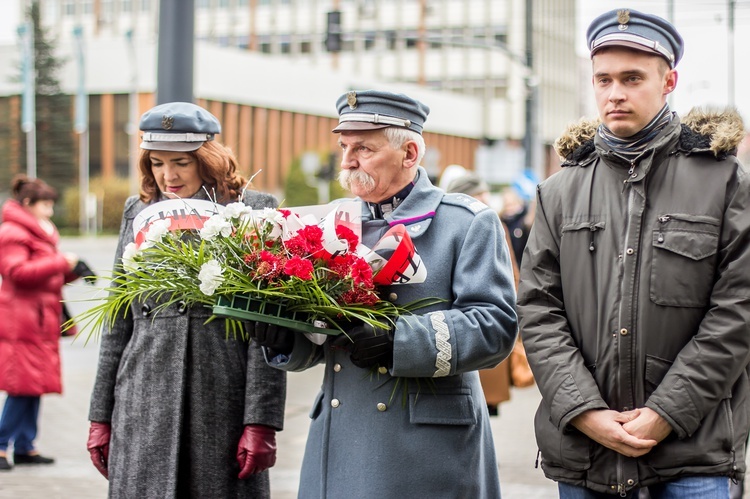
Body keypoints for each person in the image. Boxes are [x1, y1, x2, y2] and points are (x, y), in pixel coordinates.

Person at [518, 8, 750, 498]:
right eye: (603, 79)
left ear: (670, 81)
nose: (615, 93)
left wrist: (666, 413)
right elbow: (539, 310)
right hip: (585, 453)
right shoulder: (558, 192)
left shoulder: (724, 181)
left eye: (632, 78)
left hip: (693, 453)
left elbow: (738, 312)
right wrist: (584, 411)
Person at [248, 90, 518, 498]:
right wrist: (288, 339)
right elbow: (324, 341)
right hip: (341, 436)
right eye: (344, 147)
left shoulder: (466, 222)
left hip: (428, 448)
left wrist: (399, 341)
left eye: (363, 149)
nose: (347, 161)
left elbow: (495, 328)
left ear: (409, 154)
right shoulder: (326, 223)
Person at [86, 102, 286, 498]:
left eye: (180, 162)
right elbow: (117, 320)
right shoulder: (138, 210)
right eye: (156, 163)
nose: (167, 176)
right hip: (141, 398)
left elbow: (269, 325)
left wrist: (262, 419)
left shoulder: (255, 211)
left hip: (222, 398)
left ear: (207, 160)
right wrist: (99, 416)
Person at [0, 175, 83, 470]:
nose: (49, 211)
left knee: (34, 385)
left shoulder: (39, 232)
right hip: (21, 319)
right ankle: (1, 446)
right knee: (22, 386)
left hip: (38, 318)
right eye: (45, 205)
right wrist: (62, 262)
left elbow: (43, 274)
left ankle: (25, 446)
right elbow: (17, 272)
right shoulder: (13, 232)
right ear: (27, 204)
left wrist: (74, 271)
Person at [445, 172, 534, 416]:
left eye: (485, 196)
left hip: (486, 318)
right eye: (479, 196)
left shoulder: (493, 222)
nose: (484, 201)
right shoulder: (449, 224)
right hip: (460, 325)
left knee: (483, 396)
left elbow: (511, 271)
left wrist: (517, 304)